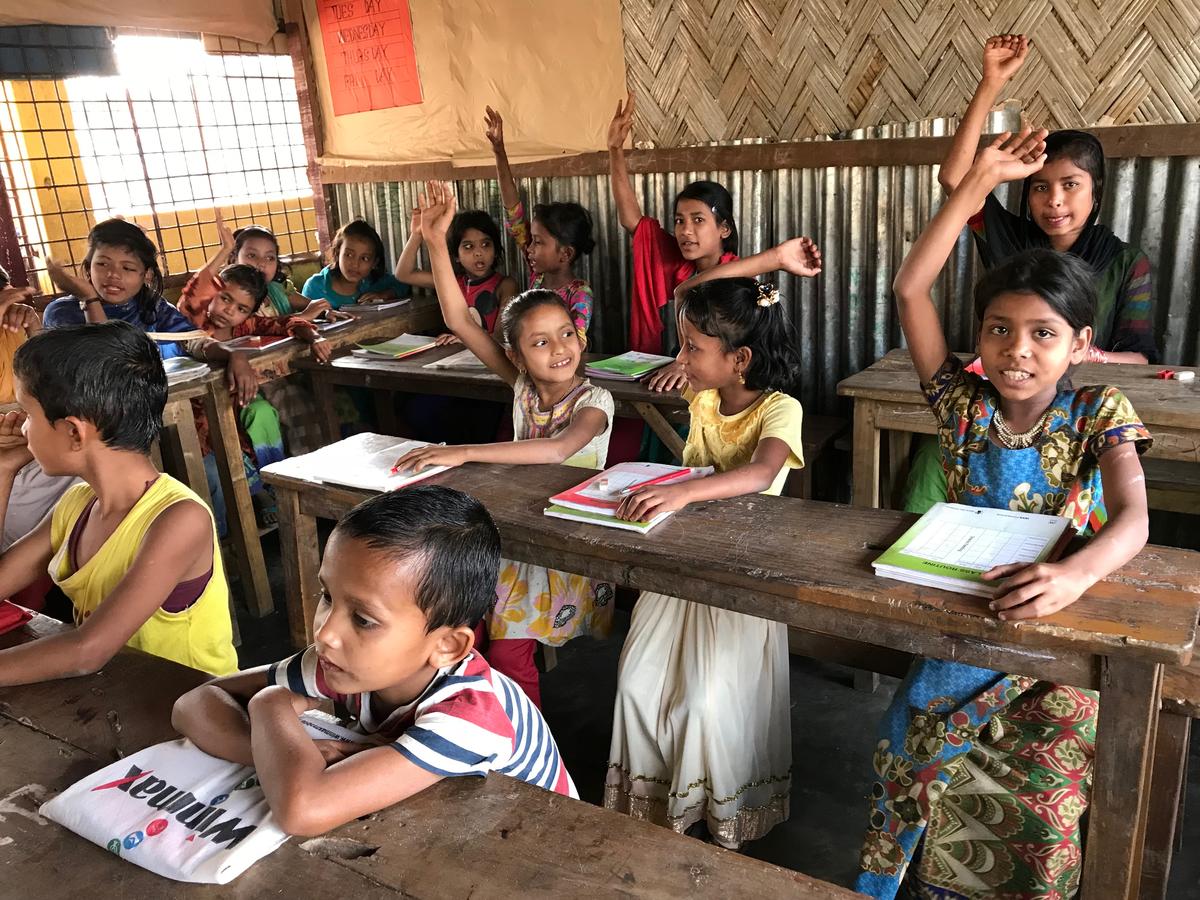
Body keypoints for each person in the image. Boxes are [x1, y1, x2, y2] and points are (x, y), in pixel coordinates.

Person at [855, 131, 1152, 899]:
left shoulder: (1098, 410)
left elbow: (1133, 519)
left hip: (1051, 636)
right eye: (998, 330)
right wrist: (976, 183)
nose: (1017, 350)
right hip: (962, 620)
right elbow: (910, 290)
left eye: (1044, 334)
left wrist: (1070, 576)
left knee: (1037, 816)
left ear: (1081, 344)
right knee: (912, 773)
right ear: (979, 338)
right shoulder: (960, 403)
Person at [171, 486, 576, 837]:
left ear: (449, 646)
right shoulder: (342, 662)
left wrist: (268, 703)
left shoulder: (470, 716)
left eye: (363, 619)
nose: (325, 633)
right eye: (327, 596)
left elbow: (302, 809)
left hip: (541, 848)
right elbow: (193, 704)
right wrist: (269, 752)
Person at [605, 251, 818, 848]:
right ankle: (661, 802)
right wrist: (770, 262)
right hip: (680, 561)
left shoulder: (781, 408)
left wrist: (683, 493)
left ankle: (720, 810)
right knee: (636, 684)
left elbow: (759, 473)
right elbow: (690, 288)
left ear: (740, 359)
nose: (681, 360)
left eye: (692, 348)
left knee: (704, 702)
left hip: (738, 573)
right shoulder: (704, 397)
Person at [903, 34, 1159, 513]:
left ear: (1095, 192)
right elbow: (956, 186)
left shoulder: (1097, 410)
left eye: (1070, 186)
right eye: (1040, 187)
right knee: (928, 463)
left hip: (1063, 390)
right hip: (998, 395)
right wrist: (990, 87)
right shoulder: (1010, 244)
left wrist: (1086, 356)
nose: (1054, 200)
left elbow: (1142, 357)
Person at [392, 181, 614, 709]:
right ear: (515, 354)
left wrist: (463, 451)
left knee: (510, 656)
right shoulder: (519, 385)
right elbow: (459, 320)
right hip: (514, 535)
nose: (560, 349)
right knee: (476, 634)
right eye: (539, 342)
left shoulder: (595, 401)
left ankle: (523, 746)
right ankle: (476, 717)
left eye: (566, 334)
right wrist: (434, 240)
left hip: (560, 549)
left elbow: (560, 449)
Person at [0, 322, 237, 683]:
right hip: (115, 698)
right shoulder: (77, 505)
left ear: (73, 433)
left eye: (29, 414)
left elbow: (88, 650)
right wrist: (3, 470)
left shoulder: (180, 518)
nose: (22, 427)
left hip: (193, 711)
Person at [178, 263, 331, 529]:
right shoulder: (192, 323)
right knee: (215, 471)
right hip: (197, 417)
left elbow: (285, 323)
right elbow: (197, 335)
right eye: (225, 298)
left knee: (262, 414)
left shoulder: (244, 327)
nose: (229, 311)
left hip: (235, 407)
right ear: (212, 293)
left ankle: (271, 489)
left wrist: (314, 336)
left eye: (241, 309)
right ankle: (227, 536)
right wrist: (232, 355)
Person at [608, 91, 740, 392]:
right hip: (671, 374)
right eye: (679, 220)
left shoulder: (737, 277)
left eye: (698, 220)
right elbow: (633, 221)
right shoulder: (677, 263)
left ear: (724, 229)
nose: (685, 231)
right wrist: (615, 150)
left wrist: (685, 365)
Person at [486, 108, 597, 339]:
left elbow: (576, 340)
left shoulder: (580, 293)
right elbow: (513, 211)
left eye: (537, 242)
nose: (529, 248)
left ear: (565, 253)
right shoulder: (537, 277)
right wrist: (499, 151)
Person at [41, 219, 199, 359]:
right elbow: (107, 365)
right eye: (102, 264)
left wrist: (217, 349)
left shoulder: (153, 308)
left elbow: (190, 339)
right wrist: (89, 299)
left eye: (127, 268)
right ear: (89, 268)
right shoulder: (62, 313)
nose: (113, 274)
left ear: (147, 275)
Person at [395, 206, 518, 339]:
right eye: (468, 246)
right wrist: (417, 234)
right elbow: (404, 274)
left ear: (495, 250)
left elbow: (501, 337)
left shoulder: (505, 285)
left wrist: (465, 341)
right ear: (456, 256)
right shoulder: (452, 283)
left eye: (485, 244)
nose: (478, 253)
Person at [301, 219, 411, 310]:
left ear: (374, 263)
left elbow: (403, 284)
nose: (355, 264)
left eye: (364, 258)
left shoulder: (374, 282)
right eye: (349, 255)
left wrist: (384, 295)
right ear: (338, 252)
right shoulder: (316, 287)